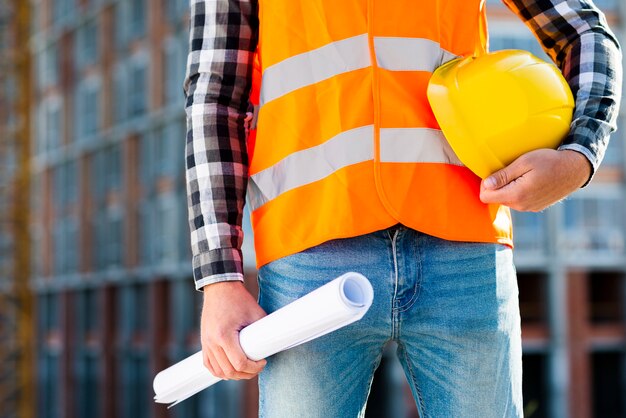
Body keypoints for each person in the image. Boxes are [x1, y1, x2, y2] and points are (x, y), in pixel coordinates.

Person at [183, 0, 622, 416]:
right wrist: (218, 277)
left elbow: (583, 30)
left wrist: (578, 157)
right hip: (310, 251)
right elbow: (216, 97)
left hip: (463, 245)